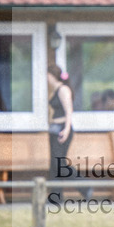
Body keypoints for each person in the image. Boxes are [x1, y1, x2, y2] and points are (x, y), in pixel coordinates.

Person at [47, 64, 77, 199]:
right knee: (54, 165)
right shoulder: (55, 90)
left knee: (59, 164)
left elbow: (68, 111)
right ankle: (55, 197)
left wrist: (66, 129)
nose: (46, 78)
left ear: (52, 75)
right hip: (54, 129)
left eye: (47, 75)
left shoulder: (63, 90)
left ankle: (85, 186)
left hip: (62, 129)